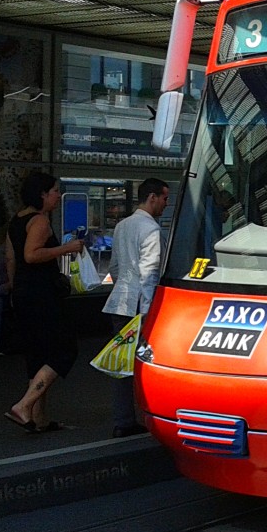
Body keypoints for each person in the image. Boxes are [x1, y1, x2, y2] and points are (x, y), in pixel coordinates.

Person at [3, 170, 84, 433]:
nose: (58, 196)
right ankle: (24, 405)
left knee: (37, 354)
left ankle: (38, 419)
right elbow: (31, 255)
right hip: (42, 295)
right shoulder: (40, 221)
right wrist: (67, 248)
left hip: (24, 294)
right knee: (64, 349)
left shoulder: (16, 221)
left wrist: (16, 291)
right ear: (42, 194)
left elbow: (11, 259)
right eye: (55, 191)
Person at [101, 177, 169, 438]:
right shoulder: (151, 230)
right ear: (152, 197)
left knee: (122, 363)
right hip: (140, 306)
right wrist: (149, 312)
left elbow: (115, 268)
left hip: (119, 302)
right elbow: (150, 274)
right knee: (145, 363)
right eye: (164, 198)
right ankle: (146, 415)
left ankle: (123, 420)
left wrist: (123, 291)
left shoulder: (122, 226)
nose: (165, 204)